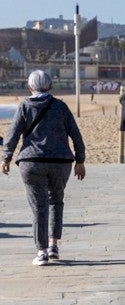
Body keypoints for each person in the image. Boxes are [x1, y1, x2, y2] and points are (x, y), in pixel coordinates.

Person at [2, 70, 87, 266]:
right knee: (56, 202)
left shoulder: (24, 105)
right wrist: (80, 161)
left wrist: (6, 158)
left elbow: (13, 134)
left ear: (30, 87)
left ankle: (41, 252)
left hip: (32, 162)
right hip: (61, 162)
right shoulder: (60, 106)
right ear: (49, 86)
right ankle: (53, 245)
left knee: (39, 208)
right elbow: (76, 135)